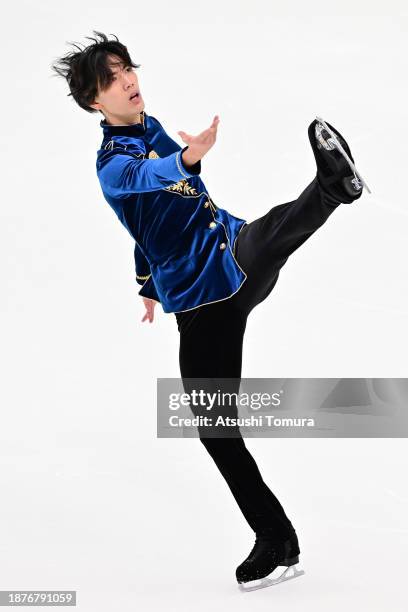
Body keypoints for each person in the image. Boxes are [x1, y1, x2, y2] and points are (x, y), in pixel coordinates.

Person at [51, 31, 366, 591]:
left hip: (215, 280)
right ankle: (328, 190)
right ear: (94, 101)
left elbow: (149, 215)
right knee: (216, 423)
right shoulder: (111, 166)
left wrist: (146, 277)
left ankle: (331, 187)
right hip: (209, 286)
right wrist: (186, 161)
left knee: (264, 242)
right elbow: (146, 188)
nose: (128, 81)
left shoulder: (146, 128)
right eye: (113, 78)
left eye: (127, 69)